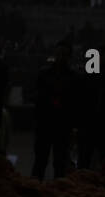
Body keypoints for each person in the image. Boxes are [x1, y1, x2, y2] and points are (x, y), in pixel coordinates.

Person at [32, 41, 78, 180]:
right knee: (41, 161)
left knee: (58, 163)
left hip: (61, 125)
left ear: (69, 56)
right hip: (47, 123)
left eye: (63, 54)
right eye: (59, 53)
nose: (60, 57)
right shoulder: (46, 74)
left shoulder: (72, 77)